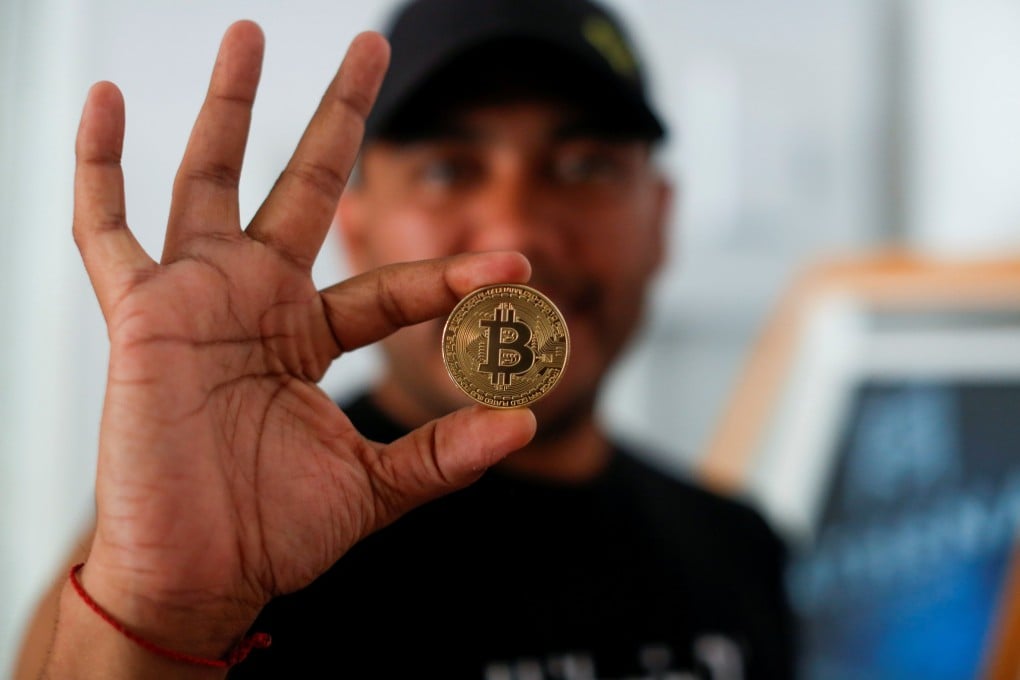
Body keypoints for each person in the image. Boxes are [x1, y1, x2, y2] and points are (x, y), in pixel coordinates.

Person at [20, 0, 796, 677]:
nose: (516, 228)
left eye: (584, 163)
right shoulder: (236, 525)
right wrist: (160, 617)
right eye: (448, 169)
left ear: (659, 220)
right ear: (355, 227)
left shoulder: (740, 548)